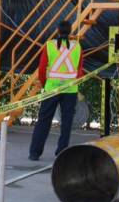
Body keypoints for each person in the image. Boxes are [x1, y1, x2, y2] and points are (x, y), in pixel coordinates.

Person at [28, 20, 83, 161]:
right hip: (70, 90)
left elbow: (41, 69)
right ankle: (61, 153)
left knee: (43, 121)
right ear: (70, 31)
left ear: (57, 31)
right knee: (66, 123)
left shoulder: (49, 46)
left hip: (51, 89)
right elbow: (79, 71)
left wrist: (47, 84)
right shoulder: (77, 47)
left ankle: (35, 153)